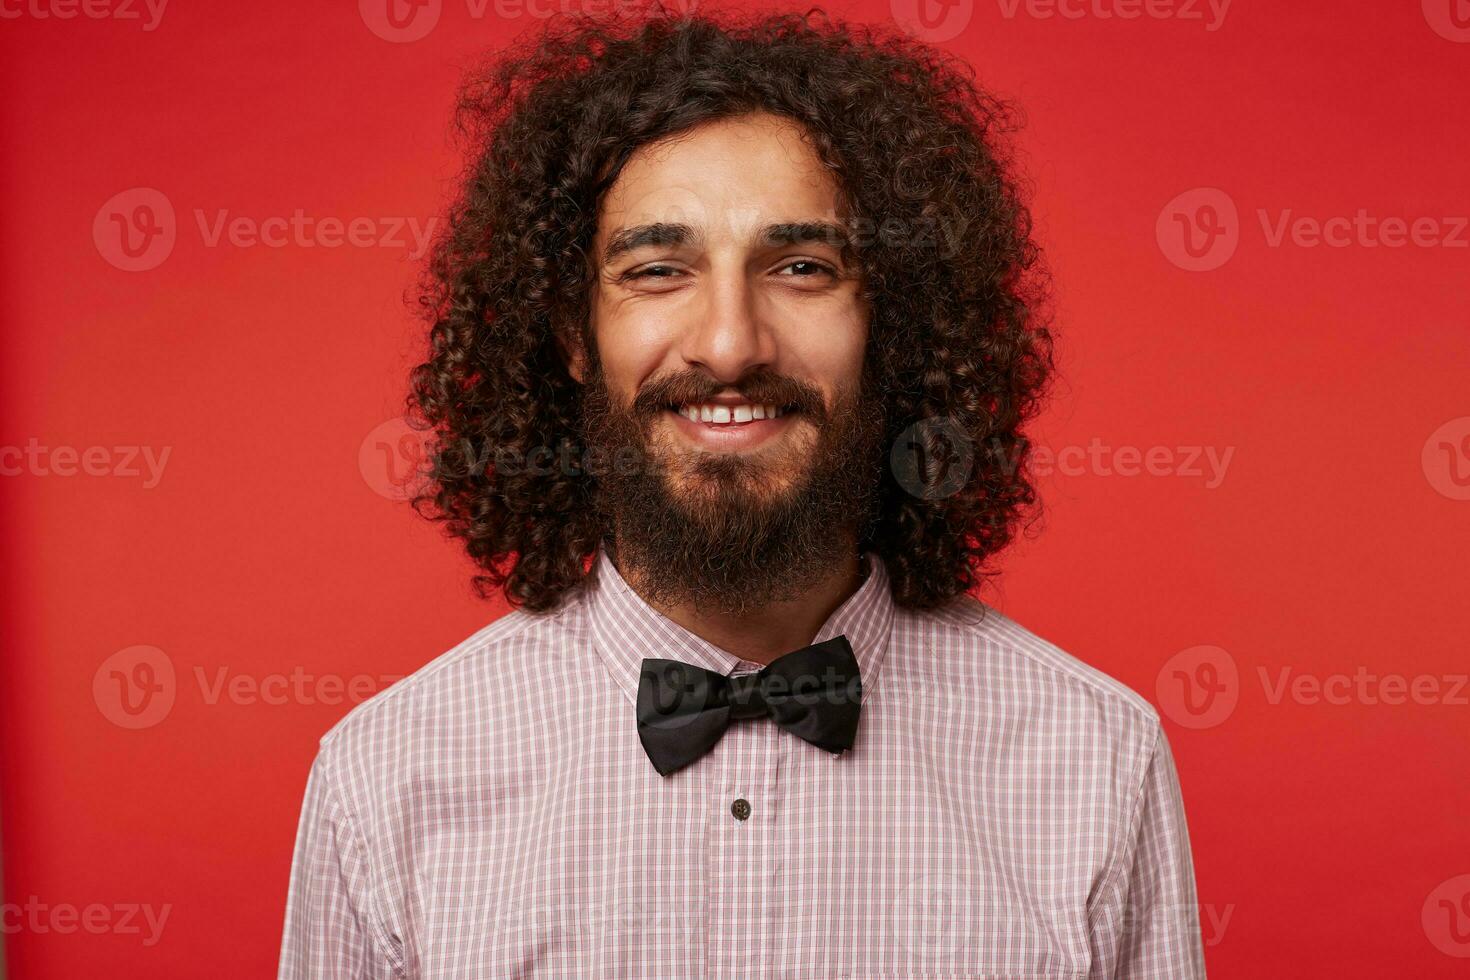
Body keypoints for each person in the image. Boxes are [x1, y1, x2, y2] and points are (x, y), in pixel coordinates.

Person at [279, 8, 1207, 977]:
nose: (729, 343)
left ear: (892, 322)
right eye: (657, 270)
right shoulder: (388, 775)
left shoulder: (1093, 756)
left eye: (801, 268)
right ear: (570, 334)